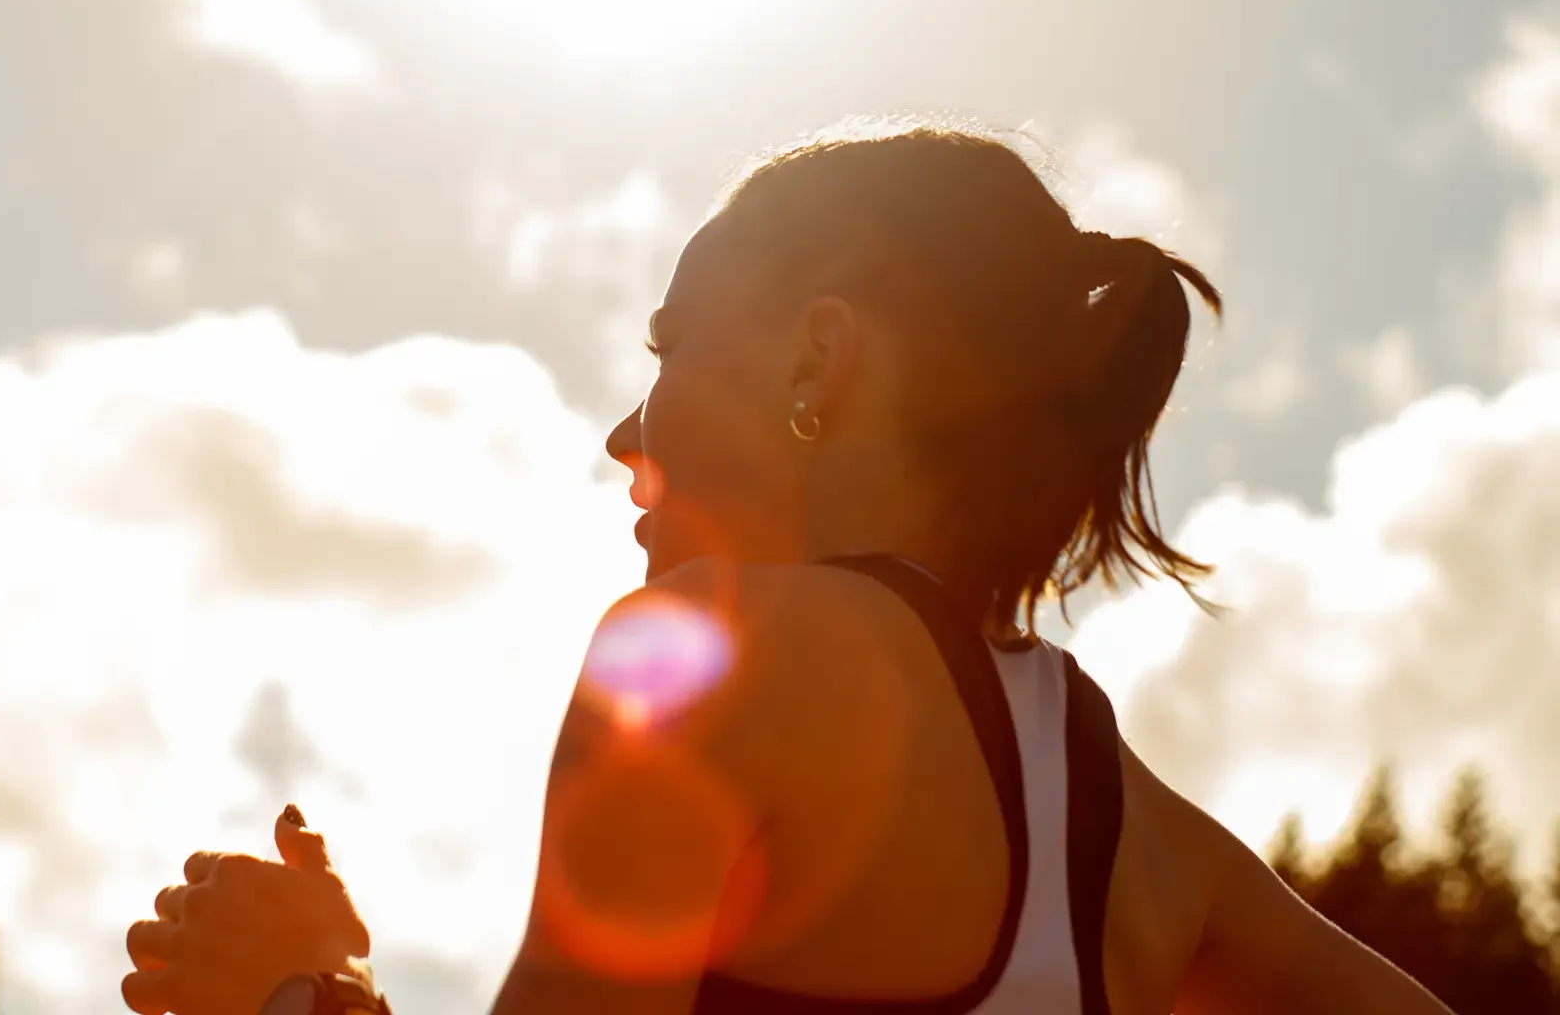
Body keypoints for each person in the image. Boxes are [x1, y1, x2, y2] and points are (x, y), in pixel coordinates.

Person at [122, 124, 1454, 1015]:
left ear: (819, 359)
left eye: (668, 349)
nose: (623, 432)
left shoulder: (705, 650)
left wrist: (301, 989)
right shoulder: (1152, 846)